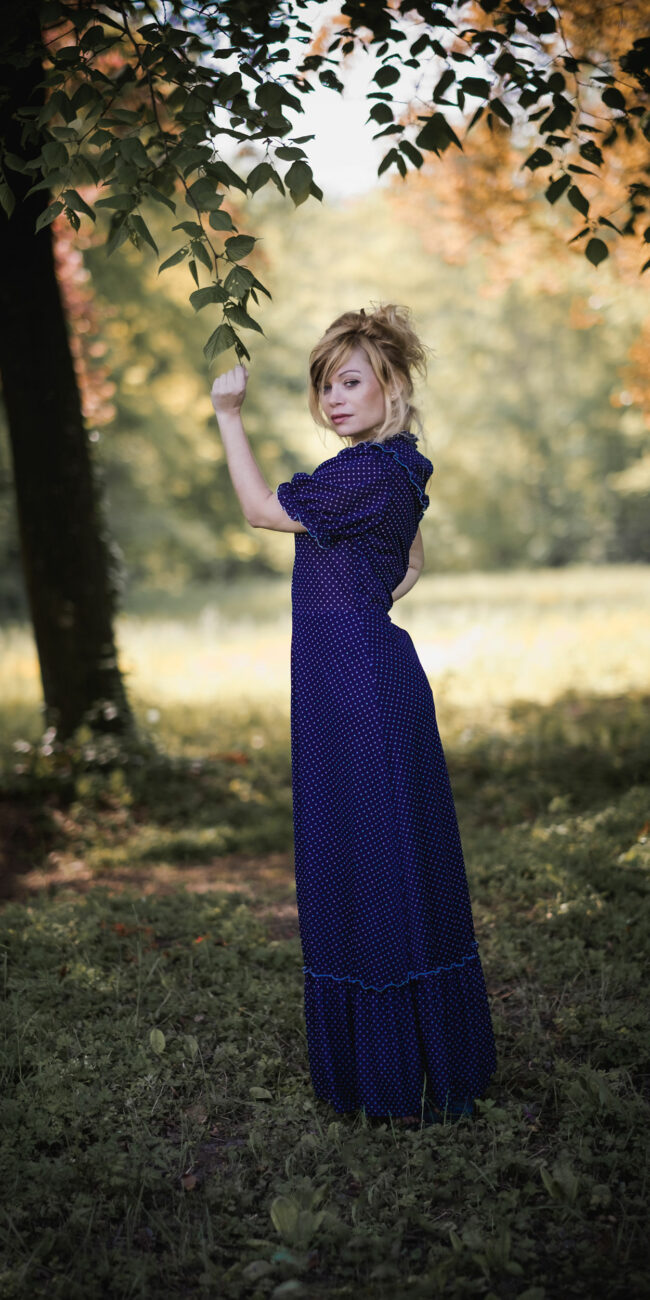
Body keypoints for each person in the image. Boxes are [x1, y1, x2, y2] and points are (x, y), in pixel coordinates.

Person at [210, 303, 496, 1127]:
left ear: (391, 387)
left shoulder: (362, 473)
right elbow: (409, 567)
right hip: (361, 671)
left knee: (373, 859)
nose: (333, 400)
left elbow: (262, 510)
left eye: (350, 382)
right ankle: (430, 1063)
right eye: (324, 386)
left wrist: (228, 414)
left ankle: (396, 1074)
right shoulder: (402, 470)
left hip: (356, 683)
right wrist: (361, 596)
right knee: (388, 852)